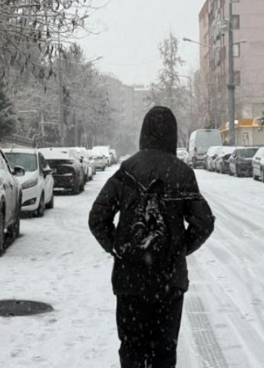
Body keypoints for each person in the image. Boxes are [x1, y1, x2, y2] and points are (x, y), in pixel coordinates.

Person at [89, 106, 215, 368]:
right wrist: (179, 248)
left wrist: (118, 248)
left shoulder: (126, 170)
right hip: (168, 280)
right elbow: (204, 222)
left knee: (132, 347)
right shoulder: (181, 173)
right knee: (164, 351)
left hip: (129, 279)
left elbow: (97, 219)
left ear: (144, 133)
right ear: (172, 134)